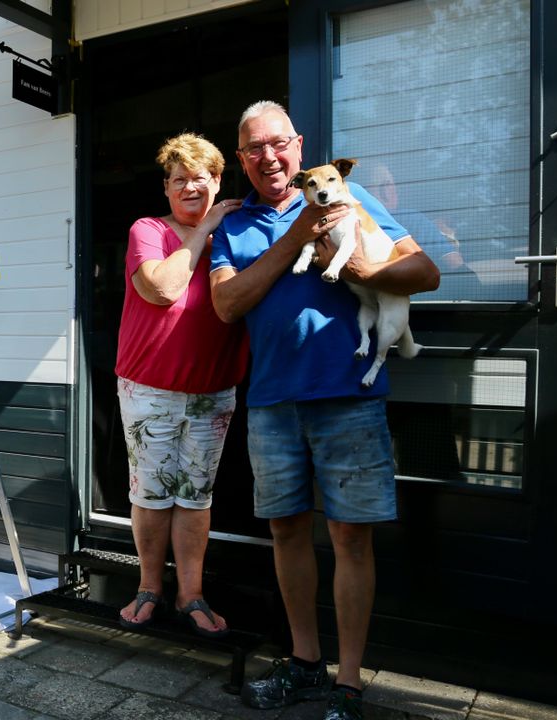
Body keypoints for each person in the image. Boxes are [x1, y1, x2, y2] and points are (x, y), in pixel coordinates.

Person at [208, 102, 439, 720]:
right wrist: (298, 236)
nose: (269, 158)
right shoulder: (233, 226)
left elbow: (426, 270)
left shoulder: (348, 193)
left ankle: (351, 682)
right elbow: (228, 305)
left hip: (348, 397)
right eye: (254, 149)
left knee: (350, 539)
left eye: (278, 144)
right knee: (286, 532)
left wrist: (365, 266)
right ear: (242, 160)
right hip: (273, 402)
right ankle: (306, 663)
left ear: (300, 147)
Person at [115, 133, 249, 639]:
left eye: (201, 177)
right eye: (179, 180)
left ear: (218, 180)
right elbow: (164, 288)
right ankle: (149, 588)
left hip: (215, 388)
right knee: (152, 493)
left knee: (195, 494)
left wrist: (220, 228)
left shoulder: (239, 232)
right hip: (149, 386)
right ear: (167, 188)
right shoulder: (148, 230)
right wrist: (205, 229)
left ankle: (191, 594)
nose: (190, 187)